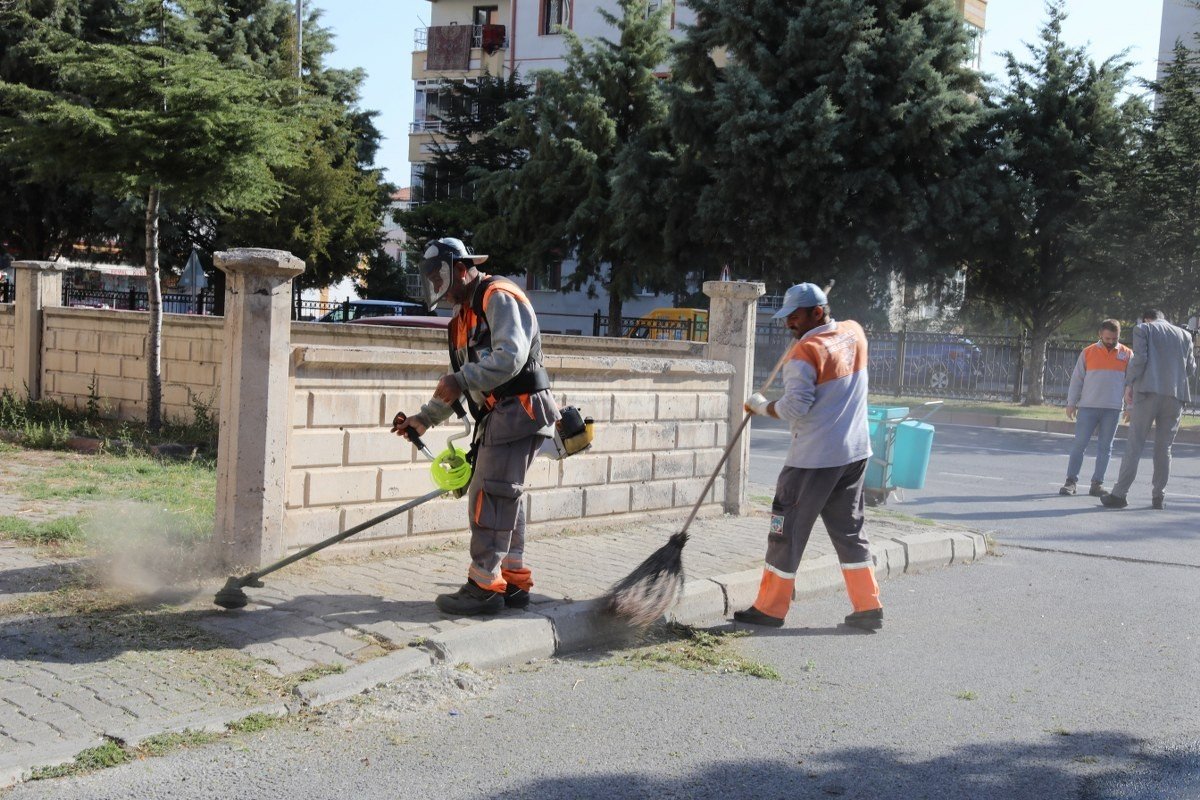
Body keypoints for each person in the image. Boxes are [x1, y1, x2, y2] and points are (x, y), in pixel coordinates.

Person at [393, 237, 560, 615]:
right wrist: (424, 419)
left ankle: (484, 586)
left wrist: (462, 380)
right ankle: (512, 581)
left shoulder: (496, 296)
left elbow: (511, 357)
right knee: (506, 495)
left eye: (443, 276)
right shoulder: (459, 320)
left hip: (520, 408)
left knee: (491, 495)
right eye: (434, 279)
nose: (440, 286)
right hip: (502, 414)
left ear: (463, 268)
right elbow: (456, 380)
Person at [737, 282, 882, 631]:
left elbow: (795, 407)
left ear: (817, 312)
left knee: (785, 531)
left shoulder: (803, 354)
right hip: (854, 454)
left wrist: (763, 406)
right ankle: (868, 607)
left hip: (813, 461)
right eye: (787, 318)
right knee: (850, 532)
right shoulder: (855, 333)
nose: (789, 324)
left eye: (796, 317)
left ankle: (770, 609)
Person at [1101, 309, 1197, 510]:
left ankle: (1120, 494)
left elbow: (1140, 359)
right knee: (1164, 448)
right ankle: (1158, 496)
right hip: (1175, 395)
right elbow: (1190, 369)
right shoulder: (1185, 335)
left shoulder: (1143, 329)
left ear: (1146, 318)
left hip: (1147, 392)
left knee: (1135, 444)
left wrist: (1129, 383)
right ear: (1163, 317)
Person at [1059, 320, 1131, 497]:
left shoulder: (1127, 354)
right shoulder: (1088, 352)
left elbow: (1131, 384)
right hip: (1088, 407)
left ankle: (1097, 484)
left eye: (1114, 338)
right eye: (1107, 338)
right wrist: (1071, 402)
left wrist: (1130, 406)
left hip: (1113, 409)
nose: (1110, 341)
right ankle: (1070, 482)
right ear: (1100, 334)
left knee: (1105, 448)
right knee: (1079, 445)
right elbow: (1077, 379)